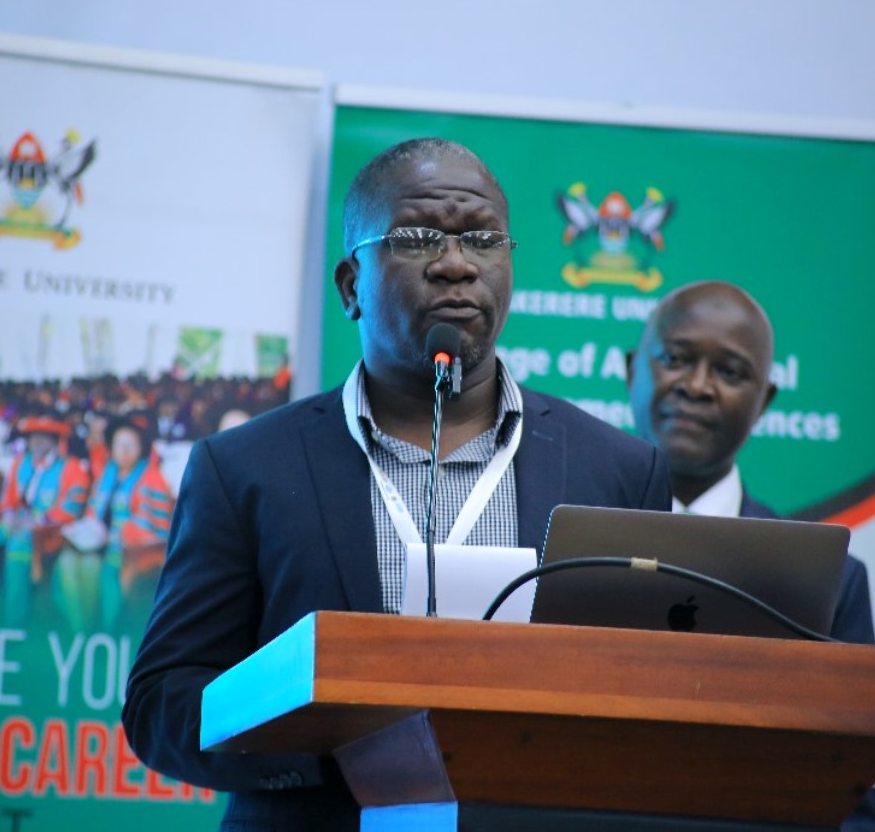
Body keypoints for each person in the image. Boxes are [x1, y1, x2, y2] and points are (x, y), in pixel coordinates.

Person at [122, 138, 673, 830]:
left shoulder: (618, 470)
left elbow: (661, 696)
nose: (455, 263)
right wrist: (331, 746)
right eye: (417, 238)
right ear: (352, 285)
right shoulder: (245, 470)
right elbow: (163, 702)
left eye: (483, 239)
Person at [626, 280, 875, 832]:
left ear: (764, 400)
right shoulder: (556, 542)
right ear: (631, 370)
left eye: (731, 372)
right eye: (675, 359)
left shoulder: (830, 579)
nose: (697, 386)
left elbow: (854, 798)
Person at [0, 415, 90, 626]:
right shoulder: (20, 464)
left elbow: (70, 510)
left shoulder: (72, 468)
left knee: (19, 544)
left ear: (54, 440)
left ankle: (15, 622)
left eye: (43, 438)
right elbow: (8, 500)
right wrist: (8, 515)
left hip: (47, 532)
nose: (36, 443)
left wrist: (38, 521)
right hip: (15, 524)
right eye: (33, 437)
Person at [54, 412, 173, 632]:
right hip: (98, 544)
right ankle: (79, 627)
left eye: (130, 445)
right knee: (66, 562)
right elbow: (93, 511)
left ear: (141, 447)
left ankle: (100, 628)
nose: (124, 450)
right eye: (119, 444)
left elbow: (156, 529)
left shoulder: (151, 478)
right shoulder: (107, 473)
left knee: (90, 566)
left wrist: (119, 534)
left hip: (128, 552)